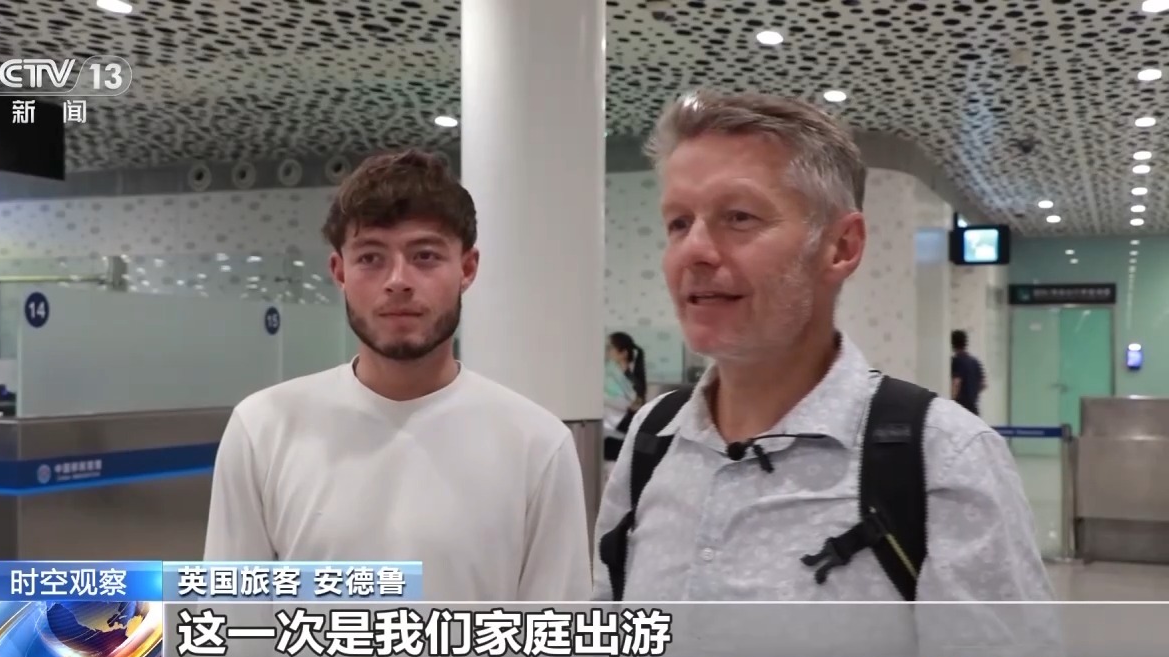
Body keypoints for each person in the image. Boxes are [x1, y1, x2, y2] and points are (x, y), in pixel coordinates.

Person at [592, 90, 1058, 651]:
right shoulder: (652, 441)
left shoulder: (943, 460)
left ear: (841, 245)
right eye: (678, 222)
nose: (694, 250)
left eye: (738, 217)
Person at [204, 149, 591, 601]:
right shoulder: (263, 428)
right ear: (339, 272)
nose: (398, 280)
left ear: (467, 268)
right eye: (371, 258)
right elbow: (230, 617)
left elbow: (556, 628)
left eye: (425, 255)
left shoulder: (537, 445)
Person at [951, 329, 986, 416]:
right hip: (974, 409)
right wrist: (972, 391)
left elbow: (956, 382)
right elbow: (983, 385)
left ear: (952, 344)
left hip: (961, 408)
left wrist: (952, 402)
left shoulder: (957, 360)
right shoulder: (975, 362)